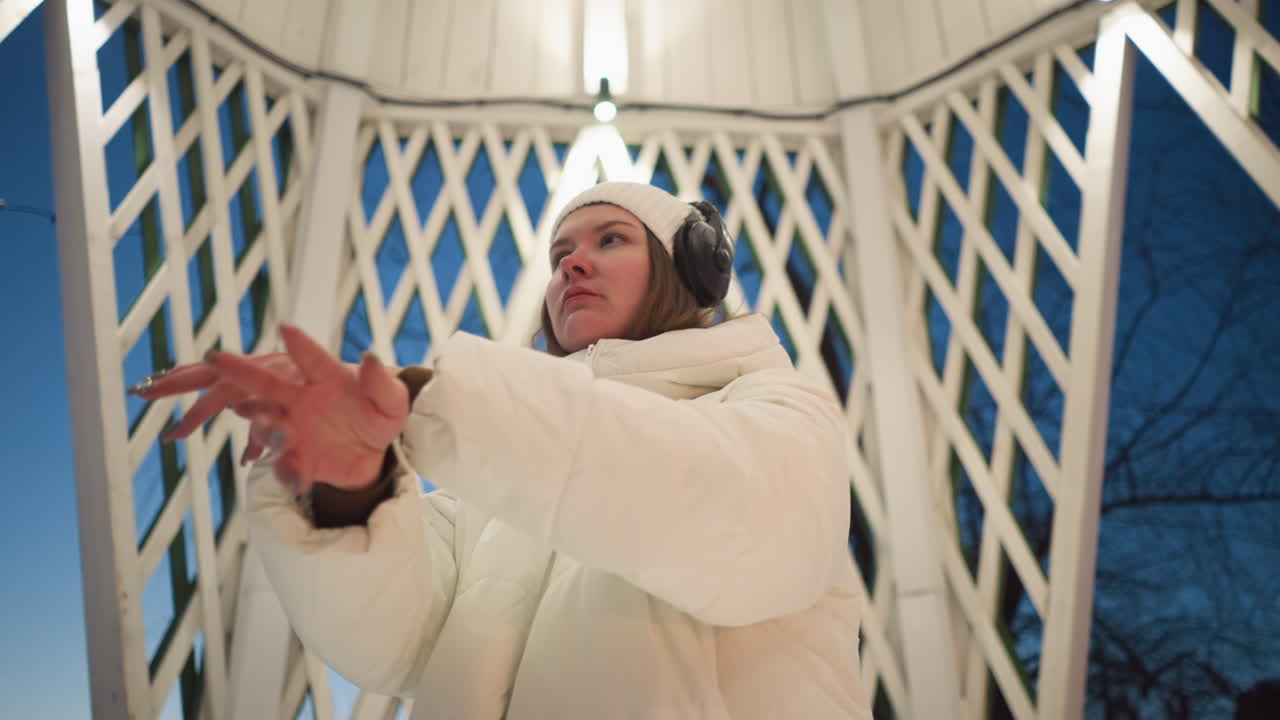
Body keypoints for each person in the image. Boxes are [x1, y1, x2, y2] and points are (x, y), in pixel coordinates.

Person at [133, 182, 872, 718]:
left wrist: (429, 397)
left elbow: (731, 517)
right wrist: (350, 486)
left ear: (689, 268)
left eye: (609, 240)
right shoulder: (497, 482)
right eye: (559, 255)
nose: (571, 266)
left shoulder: (775, 406)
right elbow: (402, 642)